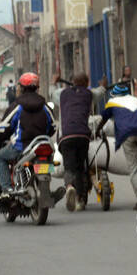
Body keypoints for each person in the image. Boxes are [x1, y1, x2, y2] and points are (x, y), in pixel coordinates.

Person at [0, 72, 59, 199]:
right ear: (37, 88)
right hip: (42, 145)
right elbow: (53, 127)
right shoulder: (44, 106)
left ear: (21, 88)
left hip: (21, 146)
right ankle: (46, 188)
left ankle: (7, 190)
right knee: (49, 161)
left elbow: (4, 127)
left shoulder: (17, 106)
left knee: (0, 157)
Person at [99, 87, 137, 210]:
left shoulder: (112, 103)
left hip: (127, 135)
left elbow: (103, 119)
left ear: (114, 95)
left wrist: (97, 130)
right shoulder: (135, 100)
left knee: (134, 167)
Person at [58, 73, 94, 211]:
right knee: (80, 168)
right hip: (83, 136)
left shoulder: (62, 94)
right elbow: (99, 92)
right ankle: (79, 199)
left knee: (69, 168)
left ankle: (69, 187)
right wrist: (102, 86)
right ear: (86, 83)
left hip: (67, 136)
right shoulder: (88, 94)